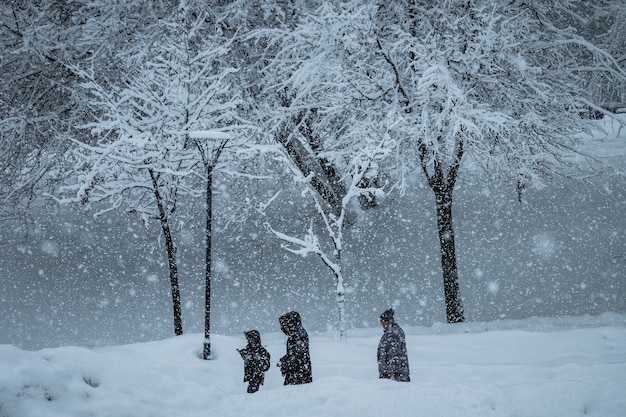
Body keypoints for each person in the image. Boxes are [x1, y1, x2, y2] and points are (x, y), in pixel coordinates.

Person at [277, 311, 312, 385]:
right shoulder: (293, 335)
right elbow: (293, 354)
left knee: (294, 394)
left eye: (285, 325)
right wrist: (284, 360)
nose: (283, 328)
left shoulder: (299, 335)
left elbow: (297, 355)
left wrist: (286, 363)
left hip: (299, 374)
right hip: (295, 372)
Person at [377, 308, 410, 382]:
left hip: (394, 375)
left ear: (386, 321)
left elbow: (394, 353)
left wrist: (392, 371)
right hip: (395, 373)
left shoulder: (392, 333)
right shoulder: (392, 331)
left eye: (382, 322)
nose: (381, 324)